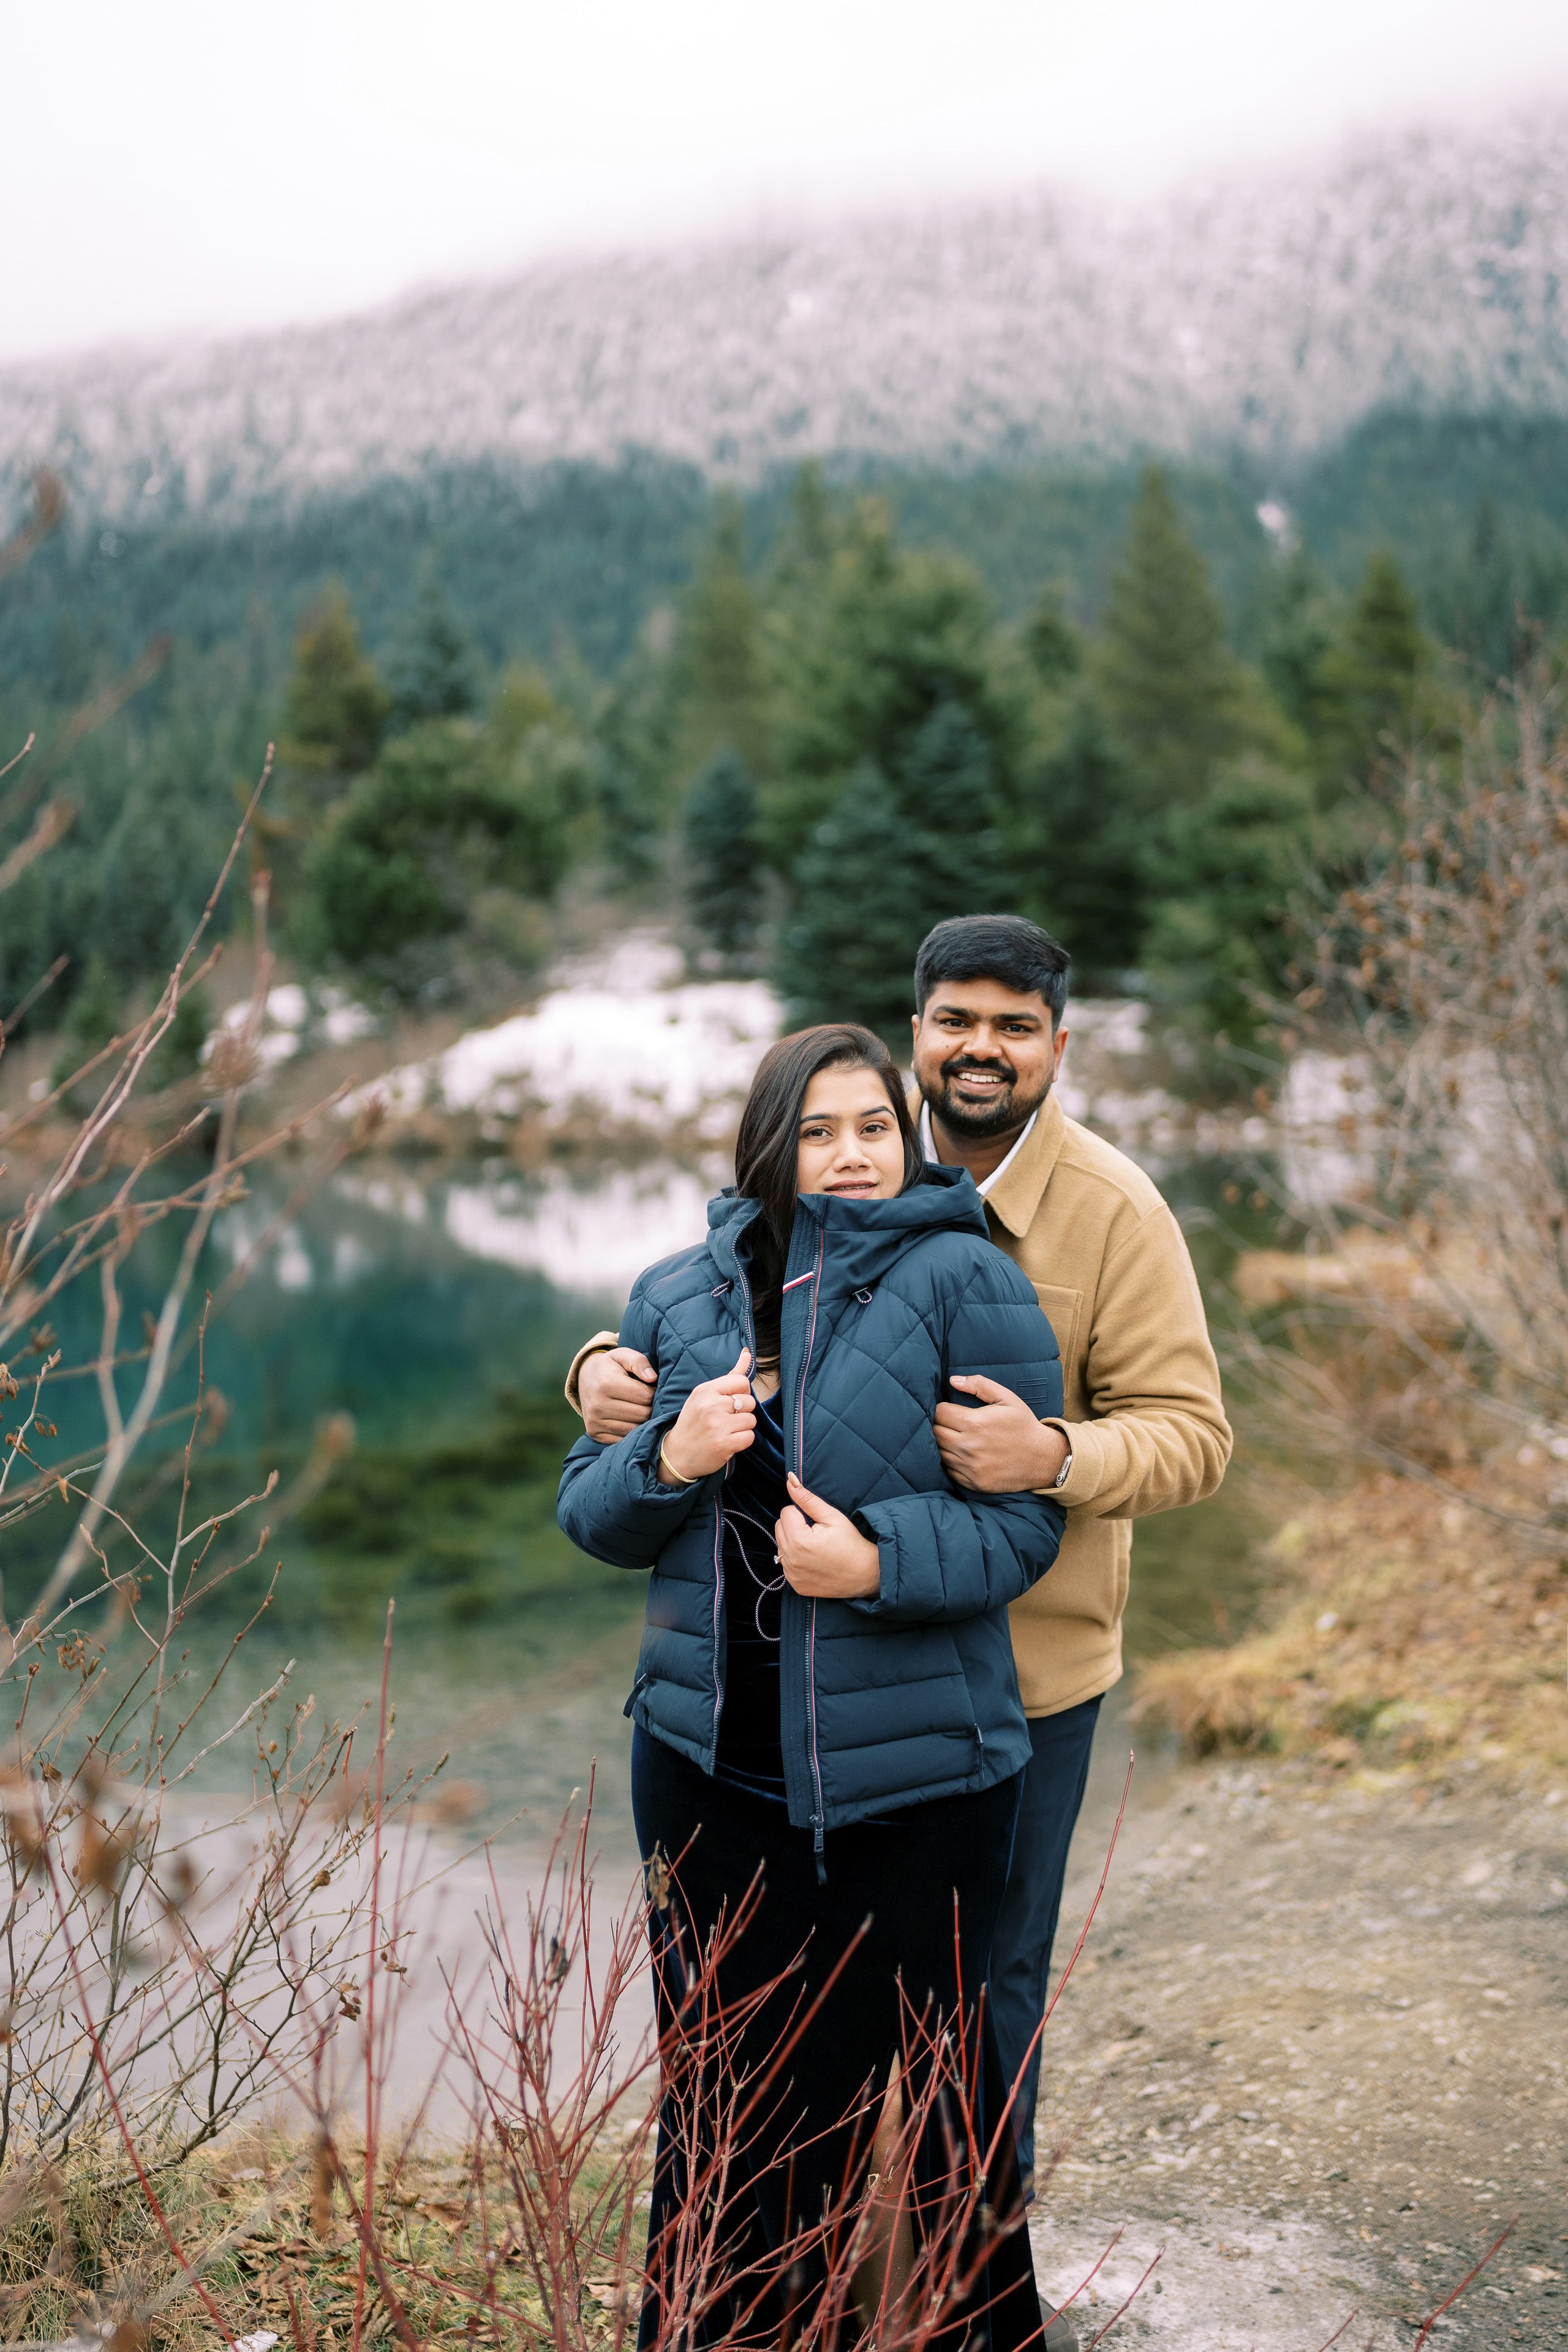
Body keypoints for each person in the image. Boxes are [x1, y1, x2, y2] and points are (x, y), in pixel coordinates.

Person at [568, 917, 1232, 2337]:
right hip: (775, 1718)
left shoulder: (1095, 1217)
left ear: (1057, 1044)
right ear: (917, 1031)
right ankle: (800, 2292)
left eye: (1011, 1026)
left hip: (1010, 1679)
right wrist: (611, 1390)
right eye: (952, 1022)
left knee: (974, 2016)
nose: (977, 1049)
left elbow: (1189, 1438)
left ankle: (950, 2298)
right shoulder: (796, 1235)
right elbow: (662, 1417)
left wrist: (1046, 1457)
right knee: (769, 2046)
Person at [557, 1022, 1066, 2352]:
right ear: (769, 1145)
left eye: (872, 1128)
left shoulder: (967, 1281)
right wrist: (667, 1456)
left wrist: (876, 1560)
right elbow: (589, 1518)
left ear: (903, 1139)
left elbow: (1022, 1533)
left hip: (917, 1781)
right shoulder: (679, 1296)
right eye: (818, 1131)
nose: (848, 1156)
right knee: (727, 2094)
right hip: (706, 1776)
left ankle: (965, 2331)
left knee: (942, 2099)